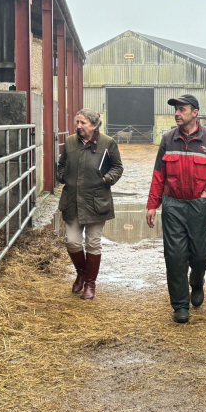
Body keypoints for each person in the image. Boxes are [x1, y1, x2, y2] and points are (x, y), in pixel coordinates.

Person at [146, 94, 206, 323]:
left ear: (195, 112)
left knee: (202, 254)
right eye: (175, 109)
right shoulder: (167, 139)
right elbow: (158, 175)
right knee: (174, 256)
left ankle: (197, 280)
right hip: (173, 204)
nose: (177, 113)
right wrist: (153, 204)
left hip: (199, 205)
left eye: (182, 109)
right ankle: (180, 305)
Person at [57, 108, 123, 300]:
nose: (78, 126)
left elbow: (118, 167)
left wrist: (106, 179)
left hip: (96, 201)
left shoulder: (108, 143)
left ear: (94, 125)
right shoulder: (70, 142)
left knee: (93, 243)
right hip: (73, 200)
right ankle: (81, 272)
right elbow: (61, 165)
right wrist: (62, 176)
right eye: (77, 122)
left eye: (83, 123)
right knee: (72, 241)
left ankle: (90, 284)